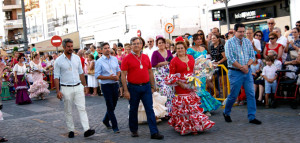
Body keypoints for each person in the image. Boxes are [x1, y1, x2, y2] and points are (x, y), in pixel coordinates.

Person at [167, 37, 215, 135]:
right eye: (178, 48)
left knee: (192, 105)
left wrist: (196, 78)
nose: (180, 50)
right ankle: (185, 126)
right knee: (185, 105)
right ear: (176, 49)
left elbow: (195, 69)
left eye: (182, 48)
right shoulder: (174, 60)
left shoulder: (191, 58)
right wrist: (181, 83)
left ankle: (194, 125)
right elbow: (171, 75)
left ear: (185, 49)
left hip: (191, 84)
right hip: (180, 86)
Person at [121, 37, 164, 139]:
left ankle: (154, 132)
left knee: (150, 109)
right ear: (131, 46)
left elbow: (150, 72)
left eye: (138, 43)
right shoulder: (126, 59)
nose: (136, 45)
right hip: (133, 88)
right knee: (133, 110)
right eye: (134, 44)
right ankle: (134, 130)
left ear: (141, 45)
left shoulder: (145, 57)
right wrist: (126, 90)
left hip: (146, 87)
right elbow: (123, 75)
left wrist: (153, 86)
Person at [54, 38, 95, 138]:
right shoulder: (58, 61)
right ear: (63, 47)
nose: (70, 48)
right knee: (68, 110)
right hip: (65, 88)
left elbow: (81, 73)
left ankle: (87, 129)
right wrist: (58, 91)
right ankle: (71, 130)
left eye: (71, 46)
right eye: (68, 46)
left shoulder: (76, 58)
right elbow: (56, 77)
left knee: (82, 108)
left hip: (78, 87)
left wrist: (85, 85)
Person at [224, 23, 261, 124]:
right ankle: (226, 112)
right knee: (234, 94)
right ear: (235, 31)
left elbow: (252, 56)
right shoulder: (229, 43)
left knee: (251, 93)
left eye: (243, 31)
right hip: (235, 72)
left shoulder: (247, 42)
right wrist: (241, 67)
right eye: (239, 32)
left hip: (247, 71)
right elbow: (230, 58)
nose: (241, 33)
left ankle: (252, 117)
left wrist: (247, 66)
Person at [187, 34, 221, 117]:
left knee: (202, 90)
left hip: (202, 72)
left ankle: (204, 108)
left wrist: (209, 67)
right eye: (197, 39)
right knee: (196, 91)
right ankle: (199, 109)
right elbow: (188, 61)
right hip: (194, 73)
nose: (199, 40)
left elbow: (206, 60)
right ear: (194, 40)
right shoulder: (190, 50)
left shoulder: (204, 49)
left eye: (200, 39)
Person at [95, 42, 121, 133]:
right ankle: (115, 126)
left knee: (113, 104)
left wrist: (118, 76)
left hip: (115, 84)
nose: (107, 49)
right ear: (102, 50)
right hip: (106, 85)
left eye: (108, 48)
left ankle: (106, 120)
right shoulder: (99, 61)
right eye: (105, 48)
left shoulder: (114, 59)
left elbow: (118, 70)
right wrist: (109, 77)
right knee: (109, 105)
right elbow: (97, 75)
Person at [151, 36, 174, 114]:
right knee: (164, 91)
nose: (161, 44)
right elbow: (153, 64)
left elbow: (172, 61)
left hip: (168, 73)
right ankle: (164, 110)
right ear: (157, 44)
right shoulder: (155, 53)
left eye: (162, 42)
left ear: (165, 43)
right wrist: (162, 63)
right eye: (159, 43)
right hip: (159, 74)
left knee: (170, 91)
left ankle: (170, 111)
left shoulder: (169, 52)